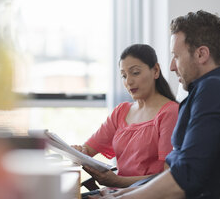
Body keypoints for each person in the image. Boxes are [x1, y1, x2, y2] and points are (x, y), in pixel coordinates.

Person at [82, 10, 220, 199]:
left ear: (201, 54)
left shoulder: (215, 92)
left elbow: (183, 179)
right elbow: (178, 174)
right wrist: (120, 194)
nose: (172, 66)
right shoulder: (215, 89)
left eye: (176, 56)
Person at [73, 44, 179, 188]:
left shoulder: (170, 113)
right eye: (124, 75)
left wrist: (117, 181)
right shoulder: (121, 111)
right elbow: (88, 150)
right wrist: (79, 152)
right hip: (115, 194)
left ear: (155, 71)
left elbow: (168, 178)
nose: (128, 81)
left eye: (135, 73)